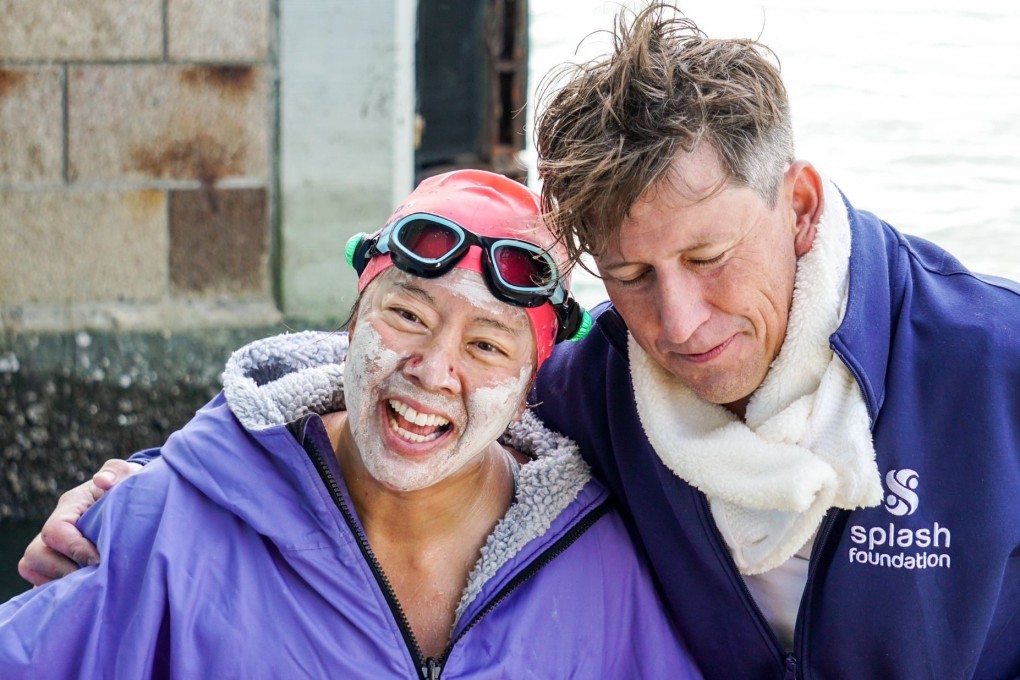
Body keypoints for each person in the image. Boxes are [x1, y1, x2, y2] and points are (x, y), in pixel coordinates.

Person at [20, 4, 1020, 678]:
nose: (680, 322)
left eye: (711, 255)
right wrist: (158, 487)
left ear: (798, 204)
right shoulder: (598, 390)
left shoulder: (994, 365)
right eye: (631, 275)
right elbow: (415, 387)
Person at [0, 169, 699, 679]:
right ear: (355, 322)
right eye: (407, 316)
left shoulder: (600, 567)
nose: (432, 371)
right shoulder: (168, 528)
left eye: (486, 345)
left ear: (526, 389)